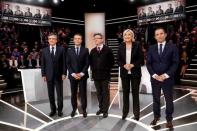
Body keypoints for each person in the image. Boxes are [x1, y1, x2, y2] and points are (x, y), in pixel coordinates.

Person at [146, 27, 179, 128]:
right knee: (156, 99)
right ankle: (156, 117)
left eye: (161, 33)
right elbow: (148, 64)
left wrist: (165, 75)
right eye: (157, 34)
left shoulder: (173, 47)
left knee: (169, 100)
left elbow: (175, 63)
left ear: (165, 35)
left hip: (167, 79)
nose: (159, 36)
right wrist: (155, 75)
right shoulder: (151, 48)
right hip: (155, 79)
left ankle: (169, 119)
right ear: (155, 37)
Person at [117, 29, 144, 120]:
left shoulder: (137, 45)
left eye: (129, 34)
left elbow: (141, 59)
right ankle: (125, 112)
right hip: (124, 73)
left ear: (132, 36)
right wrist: (123, 65)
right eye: (125, 35)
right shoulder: (121, 46)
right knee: (125, 93)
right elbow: (118, 60)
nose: (127, 36)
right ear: (123, 37)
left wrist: (133, 65)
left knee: (135, 93)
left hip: (135, 73)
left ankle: (136, 114)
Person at [41, 33, 67, 117]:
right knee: (50, 94)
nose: (51, 40)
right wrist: (43, 74)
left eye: (53, 39)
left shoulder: (61, 49)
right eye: (50, 39)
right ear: (48, 40)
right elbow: (43, 64)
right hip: (48, 76)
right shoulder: (44, 50)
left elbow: (64, 62)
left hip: (59, 75)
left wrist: (64, 73)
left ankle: (60, 110)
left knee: (60, 94)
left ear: (56, 40)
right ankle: (53, 110)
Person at [89, 33, 114, 118]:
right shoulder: (92, 51)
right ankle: (101, 108)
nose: (96, 40)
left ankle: (105, 110)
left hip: (105, 76)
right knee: (99, 93)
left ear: (102, 39)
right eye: (95, 38)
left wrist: (105, 69)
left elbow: (112, 62)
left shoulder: (108, 50)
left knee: (105, 93)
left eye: (98, 38)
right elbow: (91, 63)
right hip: (96, 76)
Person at [66, 33, 89, 118]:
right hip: (73, 76)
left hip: (83, 76)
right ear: (73, 40)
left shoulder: (86, 50)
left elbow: (87, 63)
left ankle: (84, 110)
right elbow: (68, 64)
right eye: (76, 38)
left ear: (81, 40)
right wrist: (73, 74)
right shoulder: (69, 50)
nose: (77, 40)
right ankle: (74, 109)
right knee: (73, 93)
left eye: (79, 38)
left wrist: (81, 73)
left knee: (83, 93)